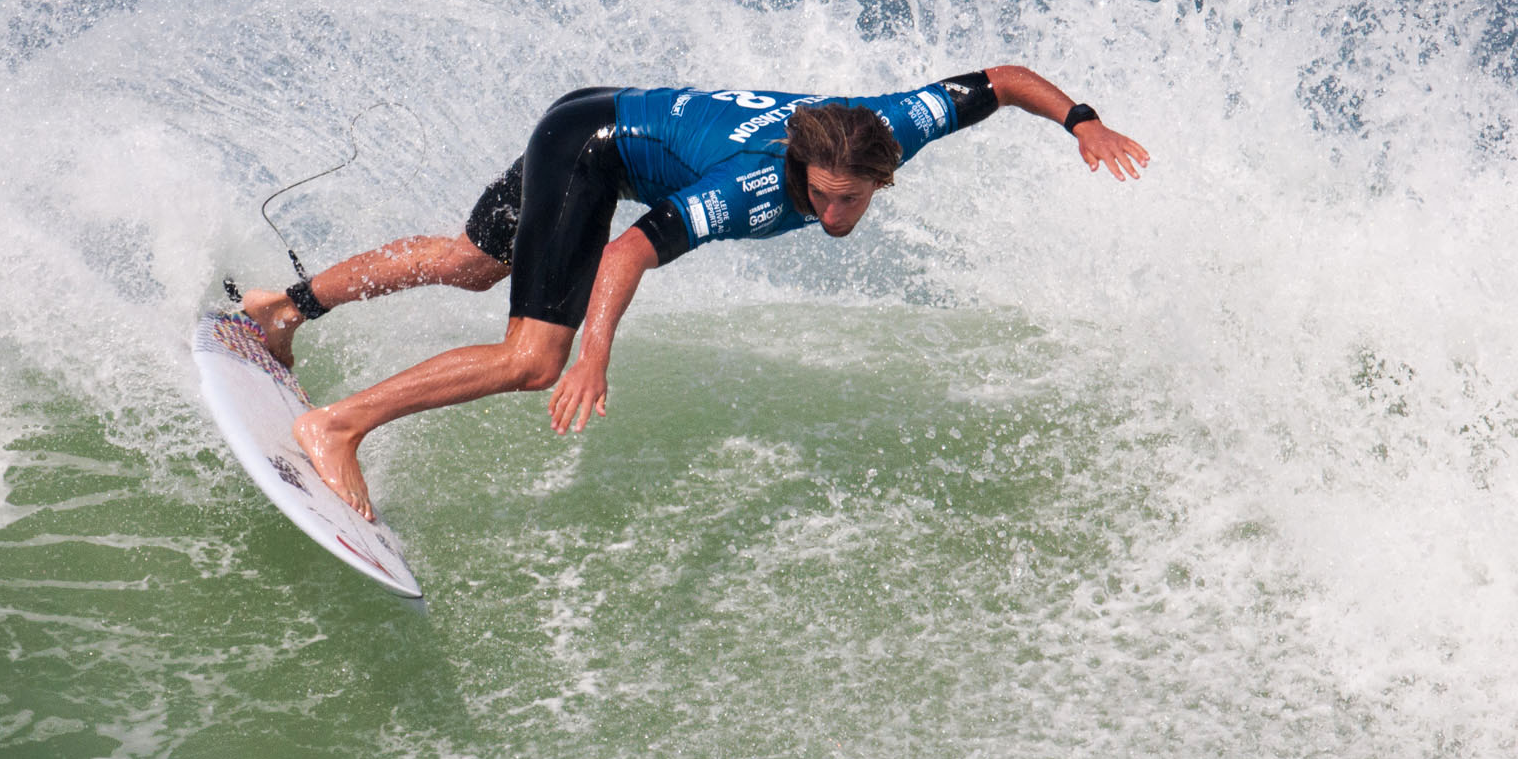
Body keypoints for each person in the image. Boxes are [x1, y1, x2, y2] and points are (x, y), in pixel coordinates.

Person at [241, 65, 1149, 518]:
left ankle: (281, 311)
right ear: (804, 168)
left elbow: (998, 81)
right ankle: (336, 427)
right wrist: (590, 353)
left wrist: (1083, 122)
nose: (838, 215)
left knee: (477, 259)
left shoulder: (887, 129)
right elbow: (628, 252)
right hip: (593, 149)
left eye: (855, 200)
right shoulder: (753, 187)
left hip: (591, 108)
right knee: (532, 356)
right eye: (827, 197)